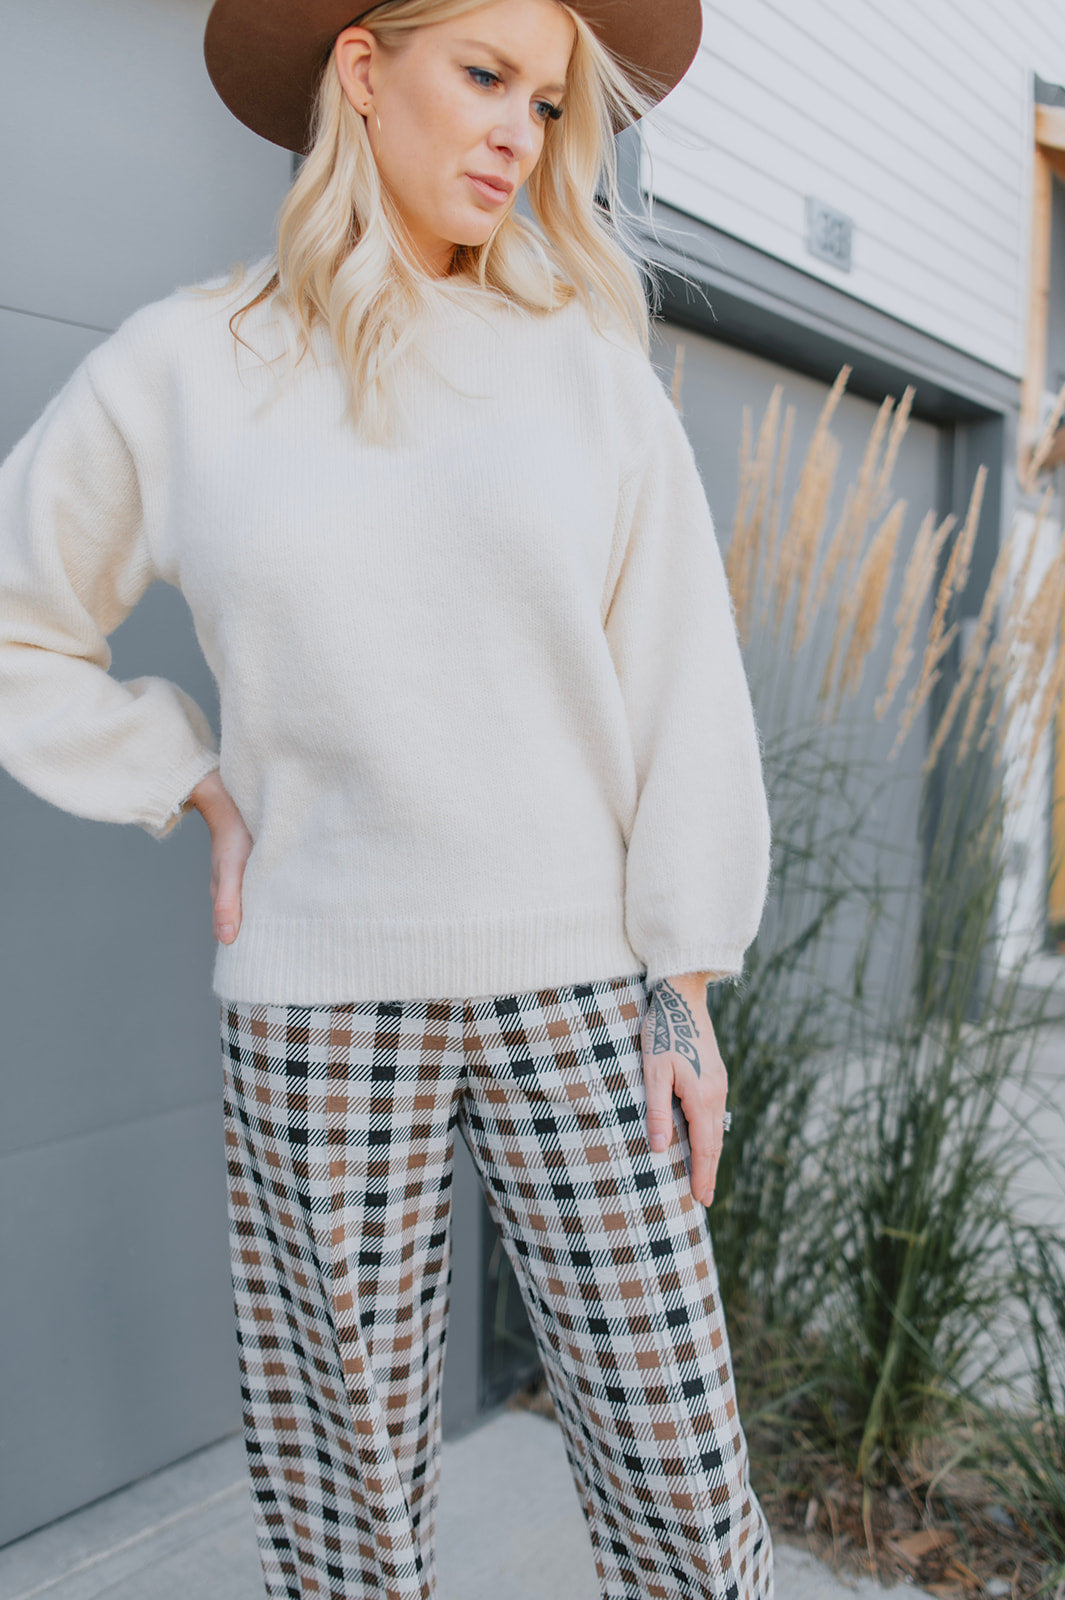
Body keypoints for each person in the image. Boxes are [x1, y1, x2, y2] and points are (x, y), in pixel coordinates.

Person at [0, 0, 775, 1594]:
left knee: (687, 1502)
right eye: (484, 76)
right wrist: (186, 779)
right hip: (313, 1004)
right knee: (341, 1517)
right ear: (362, 69)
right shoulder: (183, 367)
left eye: (546, 104)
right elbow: (19, 616)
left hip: (579, 992)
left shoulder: (585, 371)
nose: (519, 134)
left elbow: (684, 686)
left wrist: (685, 983)